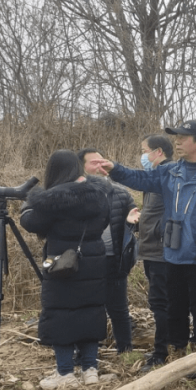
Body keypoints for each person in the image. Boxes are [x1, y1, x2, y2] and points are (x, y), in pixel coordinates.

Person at [101, 120, 196, 356]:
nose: (177, 142)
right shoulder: (170, 171)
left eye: (183, 137)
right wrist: (114, 168)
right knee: (175, 306)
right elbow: (141, 179)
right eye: (177, 137)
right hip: (174, 252)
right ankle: (177, 352)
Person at [20, 150, 110, 389]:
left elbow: (31, 222)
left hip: (62, 263)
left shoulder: (51, 199)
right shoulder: (100, 194)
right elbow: (105, 221)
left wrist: (28, 204)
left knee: (60, 314)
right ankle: (90, 370)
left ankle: (65, 373)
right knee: (91, 311)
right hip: (93, 260)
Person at [78, 148, 138, 354]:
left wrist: (133, 222)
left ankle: (125, 352)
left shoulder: (121, 193)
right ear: (82, 167)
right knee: (86, 309)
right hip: (85, 260)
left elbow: (134, 222)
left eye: (101, 161)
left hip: (114, 260)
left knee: (119, 309)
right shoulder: (75, 193)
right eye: (93, 162)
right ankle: (86, 354)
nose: (100, 165)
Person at [137, 134, 175, 371]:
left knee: (162, 303)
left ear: (158, 152)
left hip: (162, 251)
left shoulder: (168, 175)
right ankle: (166, 347)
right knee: (160, 302)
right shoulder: (154, 177)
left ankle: (162, 353)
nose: (142, 156)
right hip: (150, 248)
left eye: (144, 151)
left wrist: (157, 231)